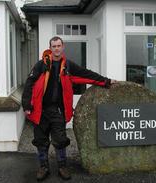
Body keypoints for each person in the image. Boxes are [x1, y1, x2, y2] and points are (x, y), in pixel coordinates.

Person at [22, 36, 116, 181]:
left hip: (58, 110)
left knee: (60, 140)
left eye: (59, 46)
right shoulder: (41, 65)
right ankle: (43, 167)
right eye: (54, 46)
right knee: (41, 141)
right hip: (40, 110)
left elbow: (86, 73)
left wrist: (106, 81)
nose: (56, 49)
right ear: (50, 48)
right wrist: (26, 104)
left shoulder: (68, 66)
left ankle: (62, 167)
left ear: (63, 47)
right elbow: (29, 83)